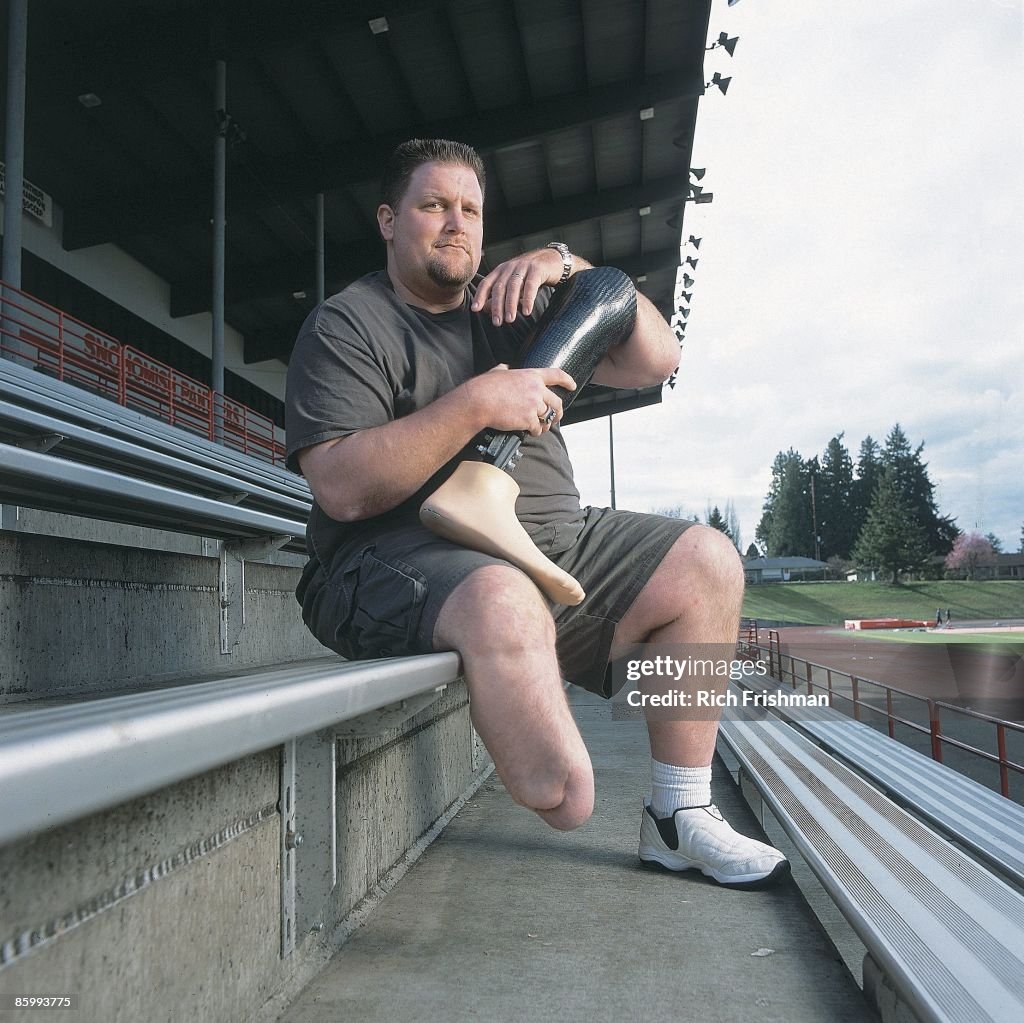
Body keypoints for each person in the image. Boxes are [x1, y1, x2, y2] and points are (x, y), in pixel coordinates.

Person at [285, 138, 788, 888]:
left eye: (470, 210)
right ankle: (524, 658)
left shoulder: (510, 302)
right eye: (433, 205)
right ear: (389, 220)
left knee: (708, 560)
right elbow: (342, 486)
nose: (455, 223)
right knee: (511, 622)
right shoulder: (348, 324)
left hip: (558, 543)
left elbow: (657, 358)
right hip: (400, 558)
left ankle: (679, 816)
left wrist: (569, 263)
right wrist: (478, 402)